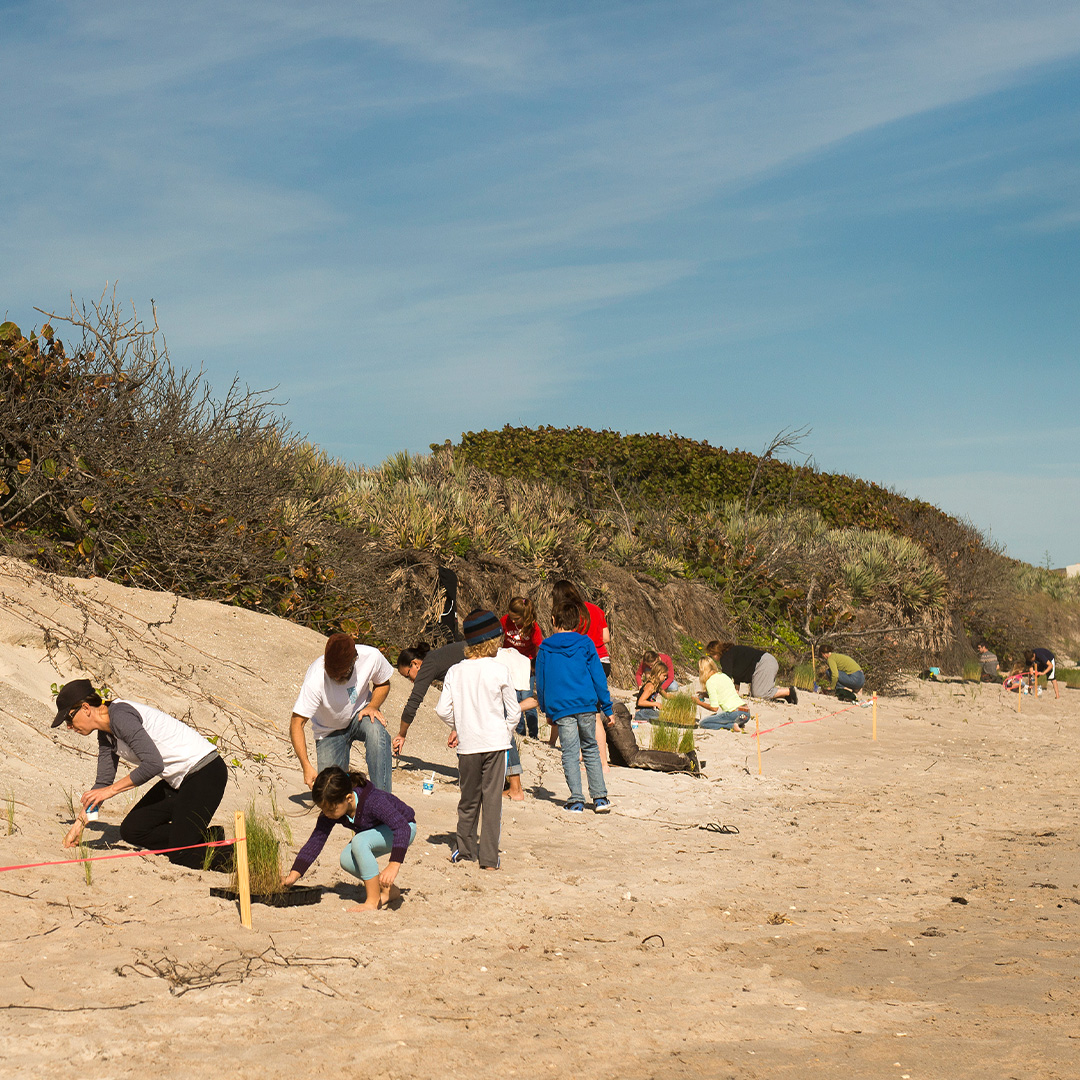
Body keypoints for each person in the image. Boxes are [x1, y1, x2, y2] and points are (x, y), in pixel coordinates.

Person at [54, 679, 230, 871]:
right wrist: (79, 826)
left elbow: (153, 764)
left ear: (86, 708)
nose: (69, 726)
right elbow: (102, 783)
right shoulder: (105, 735)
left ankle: (247, 857)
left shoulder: (120, 716)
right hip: (178, 780)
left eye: (69, 719)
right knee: (133, 831)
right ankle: (206, 836)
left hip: (205, 772)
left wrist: (110, 792)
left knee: (182, 854)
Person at [436, 610, 521, 869]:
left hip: (468, 745)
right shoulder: (499, 670)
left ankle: (464, 850)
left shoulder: (454, 672)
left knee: (468, 798)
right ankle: (488, 858)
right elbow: (514, 711)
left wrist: (459, 726)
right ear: (491, 641)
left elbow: (442, 710)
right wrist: (504, 732)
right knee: (492, 801)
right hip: (496, 744)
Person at [394, 639, 527, 795]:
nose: (410, 681)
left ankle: (515, 787)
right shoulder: (438, 658)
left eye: (408, 675)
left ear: (415, 664)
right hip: (485, 673)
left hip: (490, 670)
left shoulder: (428, 664)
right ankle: (496, 780)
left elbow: (413, 704)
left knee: (499, 725)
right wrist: (456, 727)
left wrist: (402, 734)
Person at [282, 766, 416, 911]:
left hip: (404, 829)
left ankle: (372, 900)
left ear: (349, 798)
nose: (326, 814)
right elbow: (316, 841)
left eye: (331, 810)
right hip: (378, 832)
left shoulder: (373, 801)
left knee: (359, 842)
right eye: (323, 809)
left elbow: (402, 827)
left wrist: (393, 865)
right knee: (347, 858)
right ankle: (389, 891)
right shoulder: (332, 808)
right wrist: (293, 875)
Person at [291, 633, 394, 793]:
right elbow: (297, 723)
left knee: (377, 732)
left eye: (342, 673)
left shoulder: (371, 656)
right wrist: (306, 766)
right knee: (332, 794)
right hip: (329, 731)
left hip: (359, 715)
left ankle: (383, 798)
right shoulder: (316, 677)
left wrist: (373, 705)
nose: (337, 677)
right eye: (333, 674)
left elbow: (383, 683)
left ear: (355, 660)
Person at [536, 600, 613, 814]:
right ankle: (600, 798)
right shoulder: (587, 643)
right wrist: (607, 707)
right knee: (590, 748)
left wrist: (545, 709)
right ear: (579, 622)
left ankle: (576, 800)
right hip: (587, 705)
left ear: (553, 620)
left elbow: (541, 683)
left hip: (562, 708)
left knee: (569, 752)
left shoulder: (545, 647)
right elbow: (598, 677)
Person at [550, 580, 612, 765]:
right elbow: (606, 638)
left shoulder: (567, 613)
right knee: (595, 712)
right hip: (603, 660)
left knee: (575, 710)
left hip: (582, 663)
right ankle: (603, 761)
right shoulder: (594, 609)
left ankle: (581, 753)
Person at [707, 641, 797, 704]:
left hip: (764, 663)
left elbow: (726, 678)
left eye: (711, 655)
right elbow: (736, 676)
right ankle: (784, 695)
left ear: (716, 653)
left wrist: (714, 693)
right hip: (767, 661)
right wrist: (735, 692)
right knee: (756, 693)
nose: (712, 658)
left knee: (759, 694)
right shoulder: (731, 653)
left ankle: (789, 691)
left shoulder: (725, 657)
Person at [501, 597, 542, 737]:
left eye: (516, 619)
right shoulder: (505, 620)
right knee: (513, 698)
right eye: (511, 617)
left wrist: (535, 666)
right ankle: (520, 732)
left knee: (526, 697)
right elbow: (497, 636)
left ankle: (533, 734)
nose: (513, 621)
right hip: (509, 663)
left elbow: (538, 647)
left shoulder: (533, 627)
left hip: (526, 664)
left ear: (525, 616)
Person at [694, 657, 749, 730]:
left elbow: (714, 708)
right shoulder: (723, 676)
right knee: (719, 717)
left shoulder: (710, 682)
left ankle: (731, 726)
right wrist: (705, 694)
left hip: (734, 713)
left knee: (703, 723)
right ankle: (738, 724)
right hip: (745, 714)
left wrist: (698, 702)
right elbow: (723, 693)